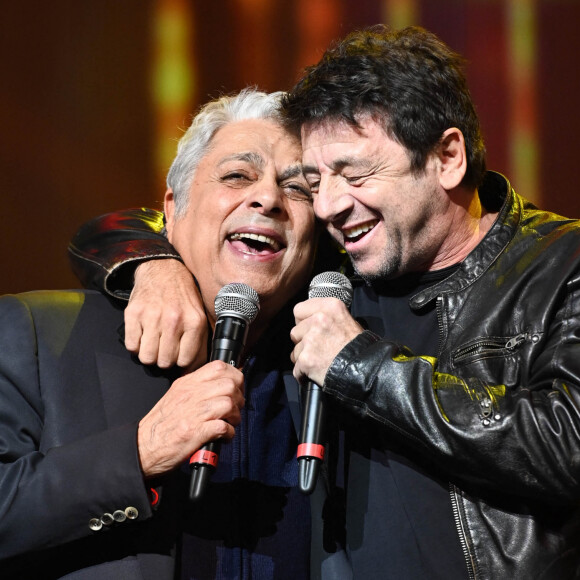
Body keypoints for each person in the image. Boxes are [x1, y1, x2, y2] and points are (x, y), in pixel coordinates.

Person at [71, 26, 580, 579]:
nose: (330, 206)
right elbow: (151, 224)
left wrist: (359, 363)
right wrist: (155, 264)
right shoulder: (343, 274)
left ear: (447, 157)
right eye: (315, 182)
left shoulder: (562, 264)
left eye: (354, 173)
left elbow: (567, 446)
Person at [0, 89, 322, 579]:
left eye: (297, 189)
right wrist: (141, 451)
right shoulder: (37, 334)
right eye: (237, 175)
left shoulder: (335, 368)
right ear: (172, 210)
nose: (269, 198)